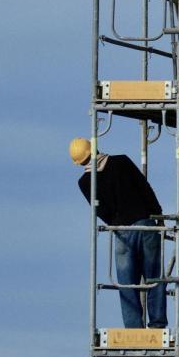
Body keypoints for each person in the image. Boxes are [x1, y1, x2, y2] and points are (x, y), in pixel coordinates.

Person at [69, 138, 167, 329]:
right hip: (146, 224)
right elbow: (144, 188)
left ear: (79, 162)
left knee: (126, 283)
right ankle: (157, 324)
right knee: (154, 278)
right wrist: (158, 213)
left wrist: (115, 222)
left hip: (121, 232)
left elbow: (100, 211)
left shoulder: (85, 182)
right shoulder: (121, 161)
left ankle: (133, 329)